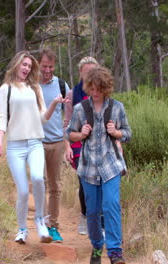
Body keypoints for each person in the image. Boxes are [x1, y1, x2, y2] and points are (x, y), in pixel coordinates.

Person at [0, 51, 68, 244]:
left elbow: (43, 117)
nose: (26, 68)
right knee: (24, 191)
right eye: (23, 64)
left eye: (28, 65)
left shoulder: (35, 89)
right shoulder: (5, 89)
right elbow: (1, 117)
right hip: (15, 146)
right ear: (16, 65)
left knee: (37, 178)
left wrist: (53, 104)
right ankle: (22, 230)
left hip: (35, 142)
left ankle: (40, 221)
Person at [66, 67, 131, 264]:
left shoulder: (117, 107)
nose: (95, 93)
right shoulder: (80, 109)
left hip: (111, 166)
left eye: (99, 89)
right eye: (92, 89)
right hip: (88, 168)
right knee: (92, 211)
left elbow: (128, 133)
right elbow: (70, 133)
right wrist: (81, 134)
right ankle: (96, 246)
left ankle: (114, 252)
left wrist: (116, 132)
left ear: (106, 88)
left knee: (111, 205)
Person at [38, 48, 71, 243]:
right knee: (39, 182)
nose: (47, 70)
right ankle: (42, 223)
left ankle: (54, 226)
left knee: (55, 186)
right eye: (44, 66)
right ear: (38, 65)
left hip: (57, 142)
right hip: (37, 142)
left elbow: (69, 113)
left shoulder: (61, 85)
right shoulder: (32, 85)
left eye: (50, 67)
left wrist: (67, 141)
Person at [64, 56, 99, 235]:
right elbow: (67, 124)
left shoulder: (102, 92)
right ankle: (85, 216)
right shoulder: (72, 95)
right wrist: (67, 146)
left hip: (99, 145)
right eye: (86, 72)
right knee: (84, 182)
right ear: (80, 73)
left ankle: (98, 220)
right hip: (78, 144)